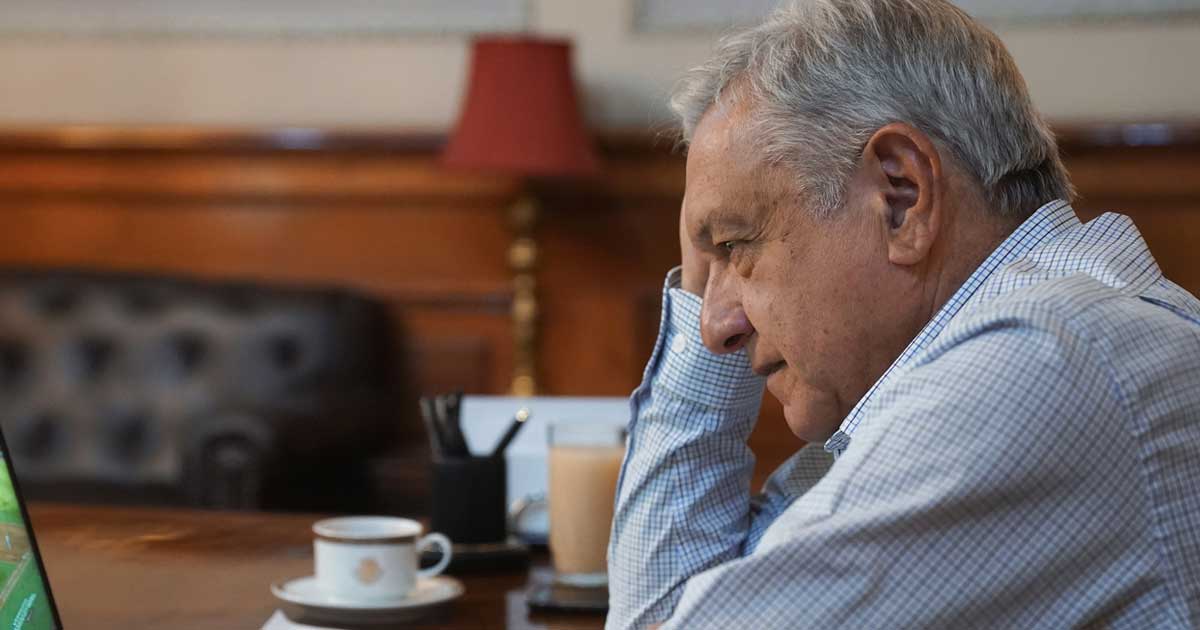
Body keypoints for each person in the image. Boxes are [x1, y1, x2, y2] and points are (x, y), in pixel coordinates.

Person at [605, 1, 1200, 628]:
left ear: (901, 198)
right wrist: (713, 242)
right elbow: (665, 612)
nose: (713, 326)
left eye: (736, 244)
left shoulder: (1038, 363)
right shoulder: (1039, 339)